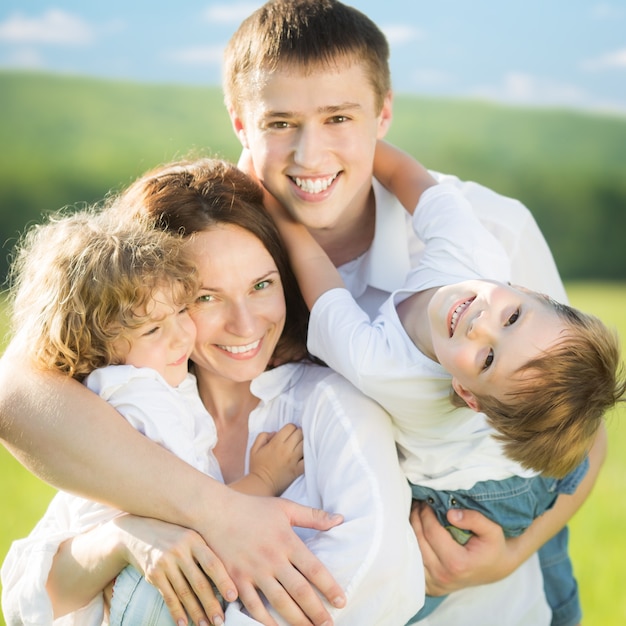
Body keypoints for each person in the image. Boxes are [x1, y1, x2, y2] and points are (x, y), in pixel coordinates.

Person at [0, 1, 605, 624]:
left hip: (486, 604)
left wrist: (515, 553)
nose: (310, 155)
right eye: (281, 122)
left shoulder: (492, 234)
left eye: (339, 117)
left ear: (384, 113)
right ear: (240, 122)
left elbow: (583, 434)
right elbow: (19, 393)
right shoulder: (201, 235)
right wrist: (210, 513)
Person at [1, 158, 424, 626]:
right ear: (151, 298)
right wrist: (122, 538)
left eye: (262, 285)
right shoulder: (138, 403)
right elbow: (26, 599)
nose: (245, 324)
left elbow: (370, 585)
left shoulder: (331, 409)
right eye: (205, 297)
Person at [265, 139, 626, 622]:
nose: (481, 322)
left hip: (477, 500)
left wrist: (267, 193)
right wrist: (342, 140)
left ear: (466, 393)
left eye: (487, 358)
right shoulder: (474, 250)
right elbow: (410, 178)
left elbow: (314, 270)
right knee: (553, 547)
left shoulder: (383, 367)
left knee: (398, 594)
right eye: (513, 315)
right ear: (525, 288)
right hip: (520, 456)